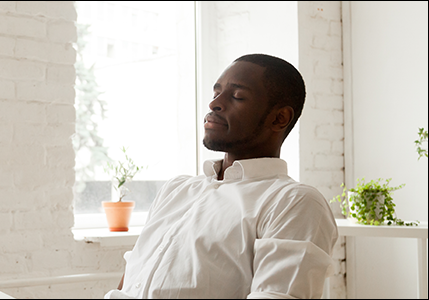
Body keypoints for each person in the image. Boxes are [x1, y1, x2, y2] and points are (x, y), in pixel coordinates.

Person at [105, 54, 338, 299]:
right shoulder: (177, 189)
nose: (214, 104)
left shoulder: (294, 202)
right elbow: (131, 279)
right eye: (216, 92)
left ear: (279, 118)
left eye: (237, 96)